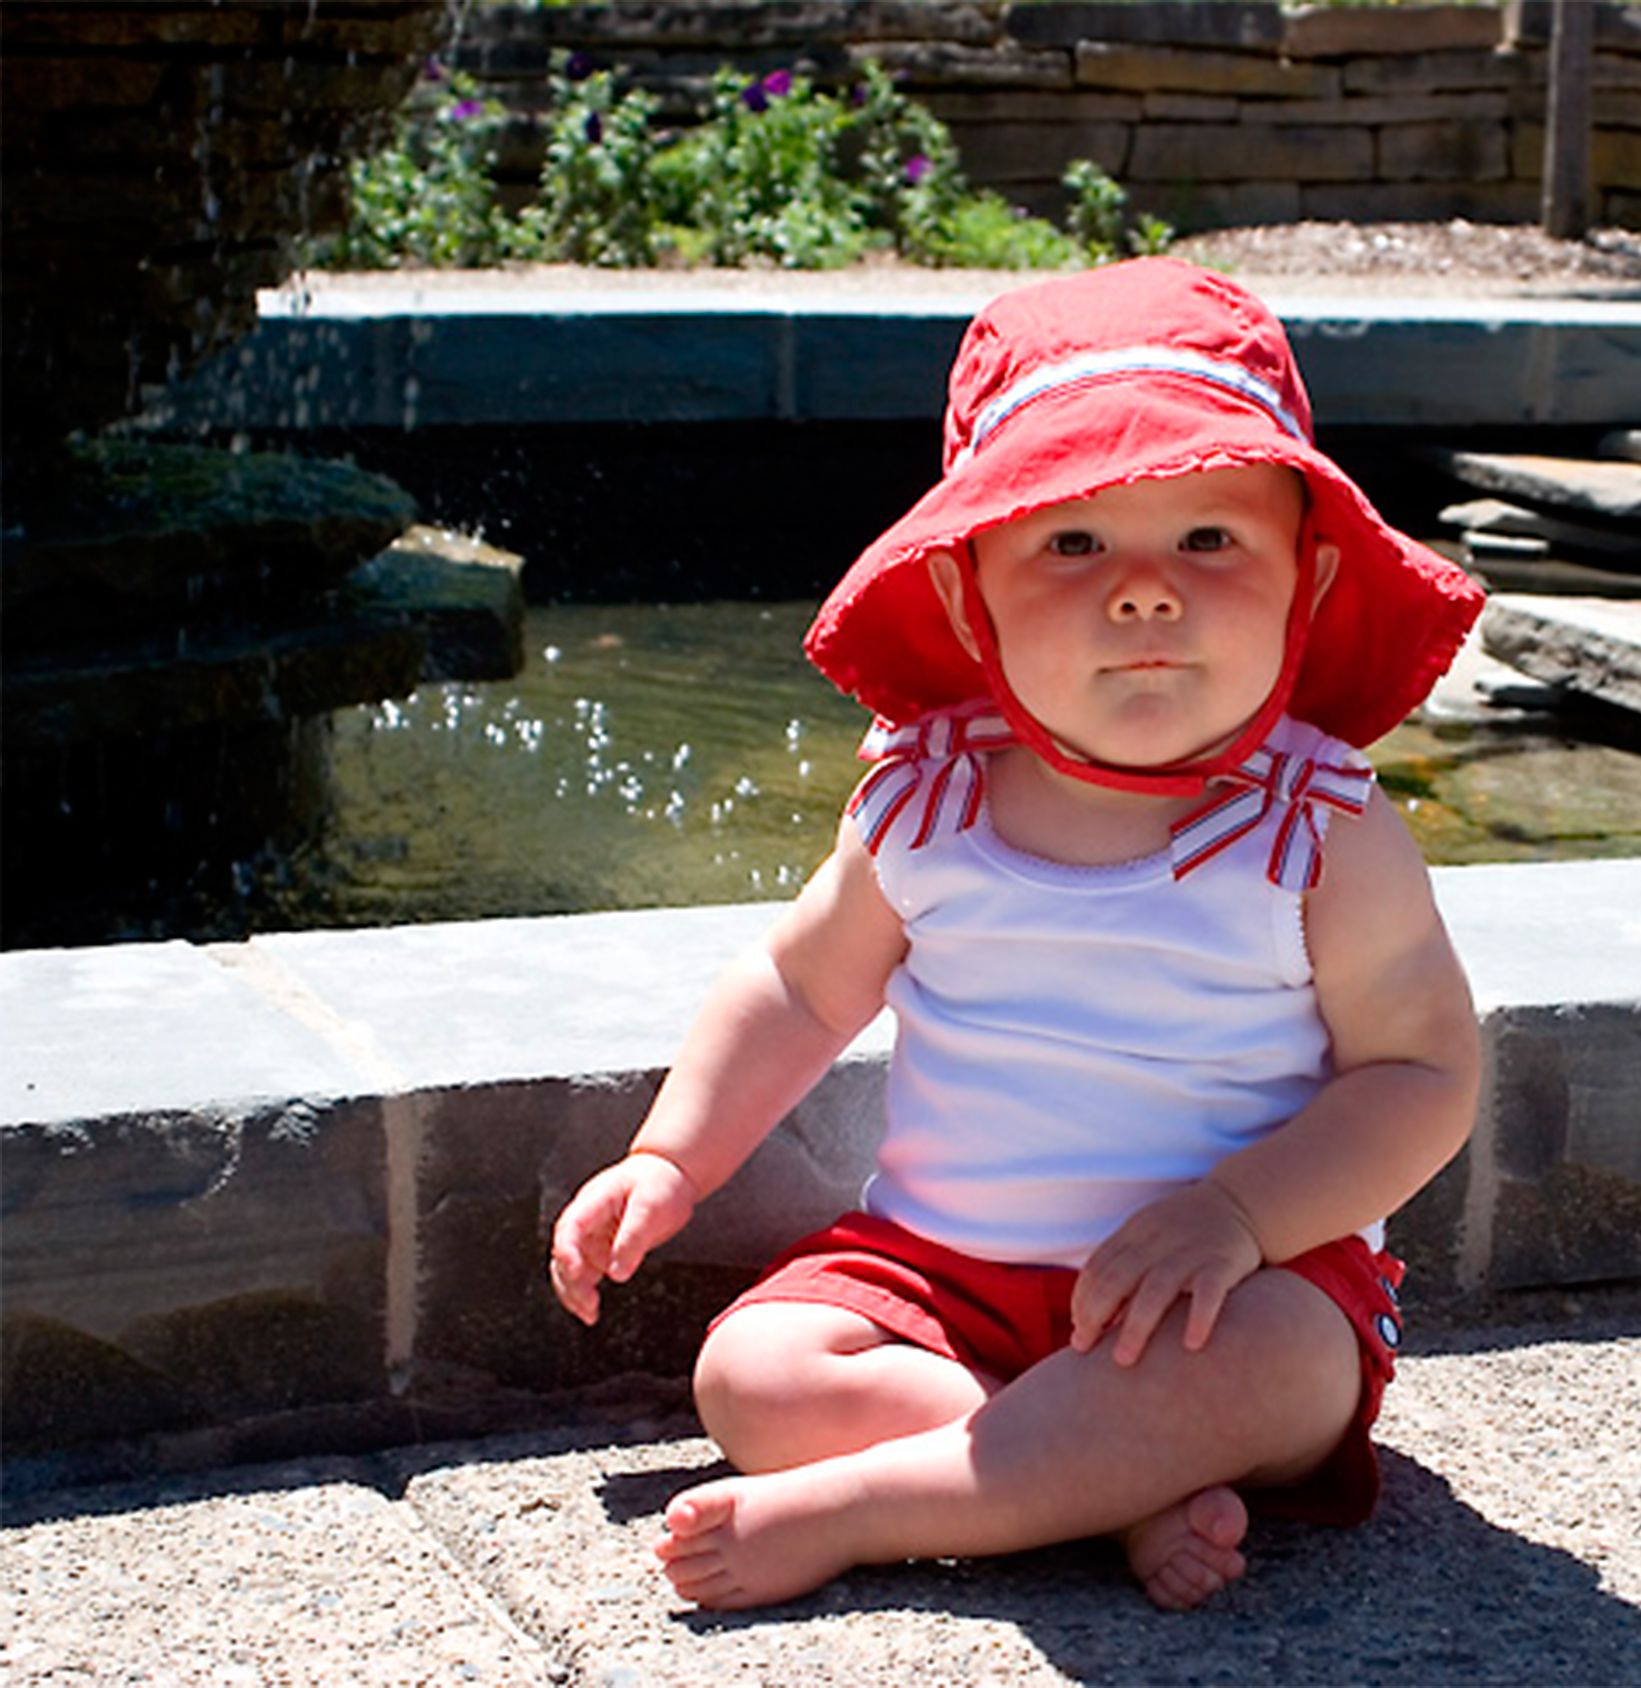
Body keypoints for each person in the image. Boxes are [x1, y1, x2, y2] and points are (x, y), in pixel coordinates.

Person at [550, 258, 1485, 1614]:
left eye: (1211, 539)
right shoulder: (924, 801)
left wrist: (1237, 1215)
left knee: (1282, 1366)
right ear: (960, 598)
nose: (1146, 593)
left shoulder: (1318, 826)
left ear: (1310, 572)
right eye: (1074, 541)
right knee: (754, 1374)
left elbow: (1423, 1075)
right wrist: (671, 1156)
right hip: (947, 1285)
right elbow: (799, 991)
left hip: (1233, 1285)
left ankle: (872, 1509)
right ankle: (1099, 1488)